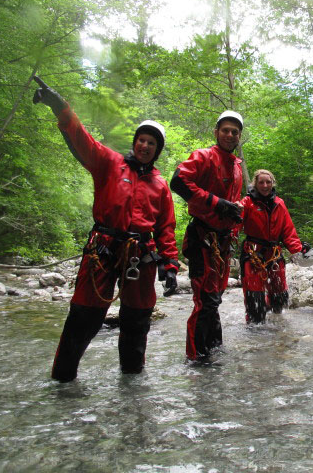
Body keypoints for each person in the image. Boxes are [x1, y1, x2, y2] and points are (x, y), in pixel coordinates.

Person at [32, 76, 179, 382]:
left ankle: (132, 379)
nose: (145, 145)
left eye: (152, 143)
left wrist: (170, 264)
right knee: (85, 314)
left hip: (140, 254)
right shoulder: (110, 164)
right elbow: (82, 139)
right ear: (135, 142)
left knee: (137, 318)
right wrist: (60, 106)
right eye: (142, 140)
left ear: (157, 150)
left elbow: (165, 227)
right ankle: (62, 380)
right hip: (103, 247)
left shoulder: (160, 185)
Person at [170, 110, 244, 362]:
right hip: (203, 238)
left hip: (222, 242)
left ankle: (214, 348)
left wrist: (233, 219)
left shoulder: (235, 165)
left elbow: (230, 204)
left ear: (239, 137)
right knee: (205, 300)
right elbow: (178, 181)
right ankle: (197, 357)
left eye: (235, 132)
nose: (230, 134)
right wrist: (216, 202)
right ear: (216, 132)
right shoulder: (203, 156)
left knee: (215, 298)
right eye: (226, 130)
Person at [238, 169, 310, 323]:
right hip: (253, 254)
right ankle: (256, 329)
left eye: (268, 182)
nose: (265, 185)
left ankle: (278, 326)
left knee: (280, 295)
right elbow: (235, 225)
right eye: (261, 182)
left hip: (274, 254)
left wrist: (298, 251)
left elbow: (288, 230)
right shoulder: (247, 203)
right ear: (255, 184)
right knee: (254, 295)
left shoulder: (279, 203)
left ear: (273, 183)